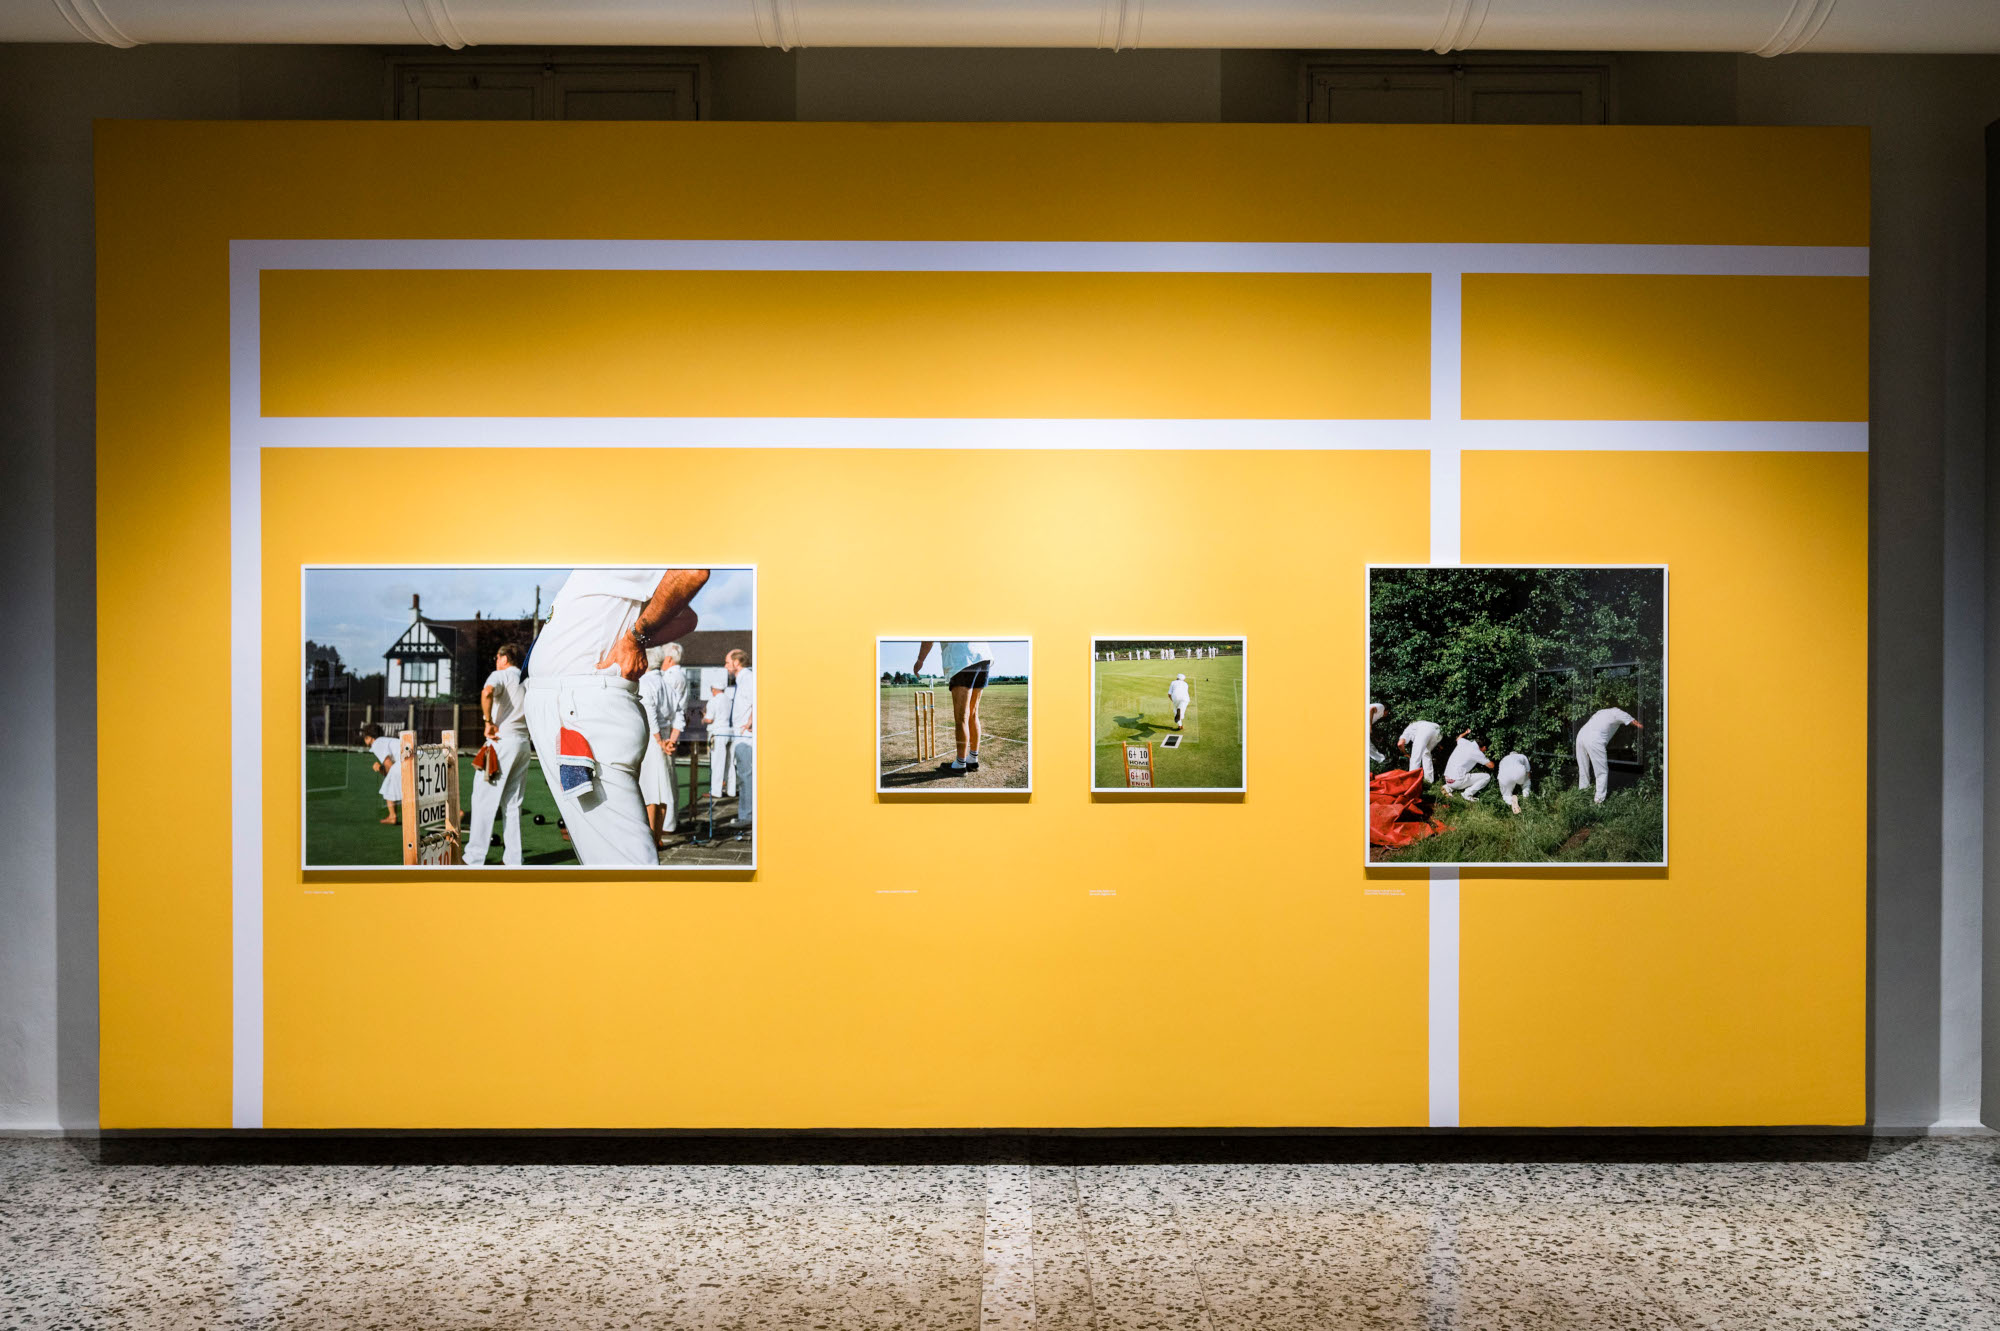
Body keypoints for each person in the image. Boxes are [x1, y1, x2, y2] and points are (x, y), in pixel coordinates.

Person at [524, 568, 707, 867]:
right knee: (604, 859)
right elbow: (687, 616)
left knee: (624, 863)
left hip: (580, 706)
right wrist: (632, 637)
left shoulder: (620, 541)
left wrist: (634, 639)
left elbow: (691, 572)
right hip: (574, 703)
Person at [464, 643, 531, 866]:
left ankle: (473, 858)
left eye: (497, 657)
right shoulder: (527, 680)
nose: (495, 661)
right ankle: (514, 860)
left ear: (504, 658)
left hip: (501, 743)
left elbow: (487, 692)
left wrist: (488, 722)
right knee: (513, 804)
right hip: (523, 745)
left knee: (483, 800)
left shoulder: (500, 675)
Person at [638, 642, 691, 848]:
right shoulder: (668, 685)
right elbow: (680, 716)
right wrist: (671, 741)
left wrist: (661, 742)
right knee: (662, 792)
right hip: (665, 741)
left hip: (652, 743)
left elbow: (650, 717)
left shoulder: (645, 683)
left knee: (651, 792)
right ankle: (656, 837)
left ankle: (650, 840)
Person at [912, 640, 991, 774]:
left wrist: (920, 660)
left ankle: (960, 764)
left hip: (962, 658)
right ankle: (973, 760)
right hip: (983, 655)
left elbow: (929, 638)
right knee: (973, 713)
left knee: (962, 716)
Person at [1576, 705, 1642, 803]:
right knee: (1602, 771)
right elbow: (1636, 724)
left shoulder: (1602, 711)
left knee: (1583, 768)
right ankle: (1599, 801)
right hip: (1595, 739)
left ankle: (1582, 794)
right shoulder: (1619, 712)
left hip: (1581, 735)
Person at [724, 648, 754, 828]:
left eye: (727, 662)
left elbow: (758, 701)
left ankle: (747, 816)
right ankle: (746, 814)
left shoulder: (748, 679)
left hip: (746, 736)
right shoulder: (742, 680)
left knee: (746, 775)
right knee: (744, 775)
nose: (726, 666)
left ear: (736, 662)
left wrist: (750, 722)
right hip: (740, 734)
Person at [703, 674, 737, 804]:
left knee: (717, 762)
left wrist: (703, 717)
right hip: (730, 732)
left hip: (717, 733)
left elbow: (709, 719)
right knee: (730, 763)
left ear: (714, 689)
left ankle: (716, 791)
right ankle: (731, 790)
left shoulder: (713, 701)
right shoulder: (729, 700)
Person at [360, 721, 401, 825]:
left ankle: (392, 816)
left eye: (365, 737)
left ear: (369, 738)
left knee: (387, 786)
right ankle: (393, 816)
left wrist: (380, 768)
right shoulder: (385, 740)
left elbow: (389, 766)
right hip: (412, 758)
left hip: (405, 762)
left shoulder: (377, 743)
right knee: (391, 783)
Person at [1441, 731, 1493, 802]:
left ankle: (1448, 787)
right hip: (1457, 781)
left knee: (1460, 773)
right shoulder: (1477, 753)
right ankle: (1467, 794)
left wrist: (1466, 732)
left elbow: (1458, 738)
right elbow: (1491, 766)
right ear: (1484, 747)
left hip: (1447, 778)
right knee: (1487, 777)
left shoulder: (1464, 742)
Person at [1397, 719, 1444, 783]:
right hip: (1438, 730)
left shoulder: (1406, 731)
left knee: (1415, 757)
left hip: (1424, 729)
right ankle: (1429, 781)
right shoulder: (1414, 726)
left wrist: (1406, 753)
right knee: (1426, 753)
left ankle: (1412, 782)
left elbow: (1400, 744)